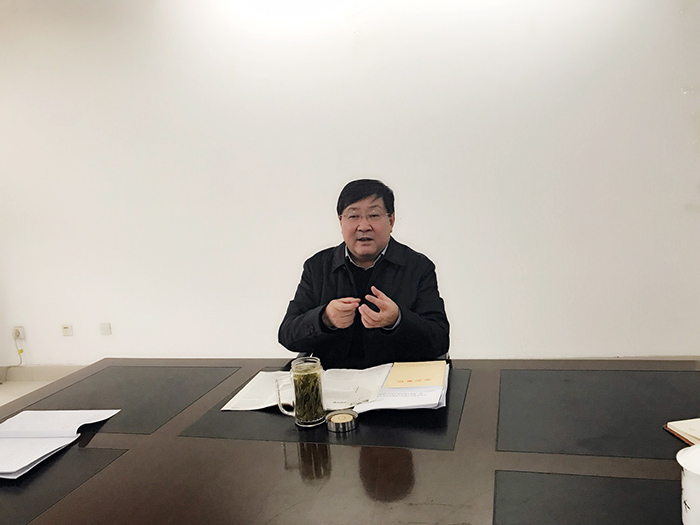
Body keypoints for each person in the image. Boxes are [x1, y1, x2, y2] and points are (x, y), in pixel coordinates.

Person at [278, 179, 449, 369]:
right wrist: (324, 318)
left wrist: (398, 319)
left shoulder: (418, 267)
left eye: (374, 215)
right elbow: (287, 334)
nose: (364, 226)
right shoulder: (317, 267)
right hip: (333, 381)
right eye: (353, 216)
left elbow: (440, 338)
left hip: (396, 380)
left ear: (391, 221)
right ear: (340, 221)